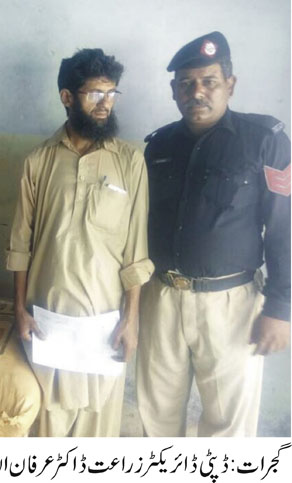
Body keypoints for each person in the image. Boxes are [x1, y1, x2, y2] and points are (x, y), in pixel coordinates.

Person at [137, 32, 290, 437]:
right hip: (161, 298)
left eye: (209, 81)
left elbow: (285, 228)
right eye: (186, 84)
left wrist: (281, 307)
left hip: (230, 306)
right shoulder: (158, 146)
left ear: (230, 84)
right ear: (174, 91)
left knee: (228, 429)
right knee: (156, 420)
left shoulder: (266, 142)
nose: (197, 92)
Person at [7, 49, 154, 437]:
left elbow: (136, 252)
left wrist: (131, 320)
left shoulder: (129, 162)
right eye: (95, 94)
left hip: (105, 327)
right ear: (67, 97)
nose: (106, 104)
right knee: (46, 435)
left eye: (112, 93)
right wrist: (19, 310)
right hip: (48, 323)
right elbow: (20, 244)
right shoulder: (39, 161)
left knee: (97, 438)